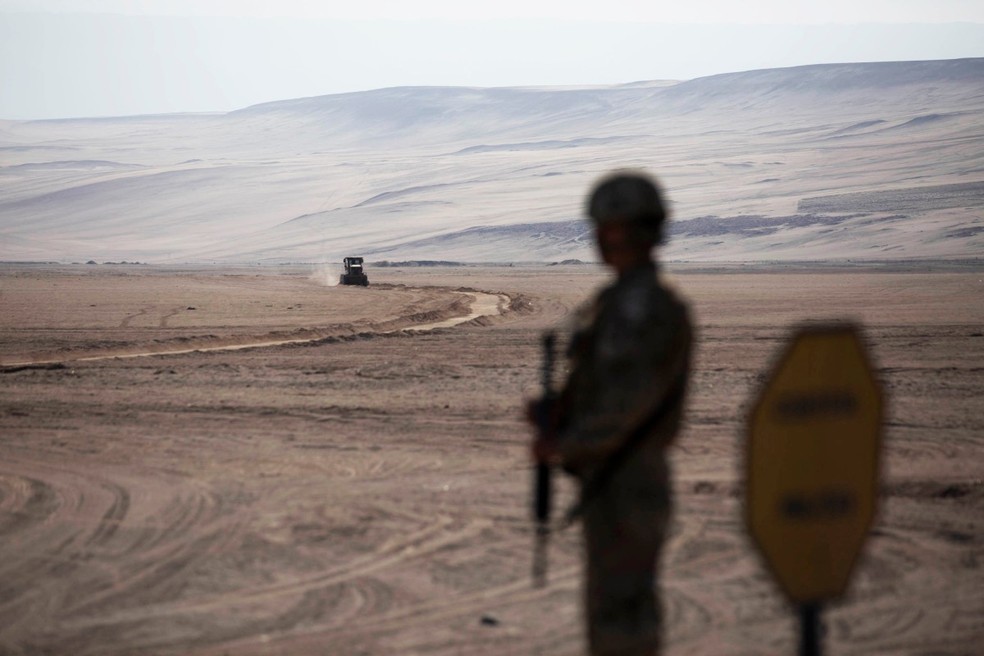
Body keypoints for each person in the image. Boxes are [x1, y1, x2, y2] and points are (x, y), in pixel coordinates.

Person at [530, 170, 693, 655]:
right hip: (611, 475)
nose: (601, 238)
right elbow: (605, 386)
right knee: (609, 609)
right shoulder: (617, 301)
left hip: (629, 475)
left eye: (611, 228)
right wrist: (560, 411)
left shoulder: (645, 307)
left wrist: (564, 443)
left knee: (623, 615)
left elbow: (627, 403)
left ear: (638, 232)